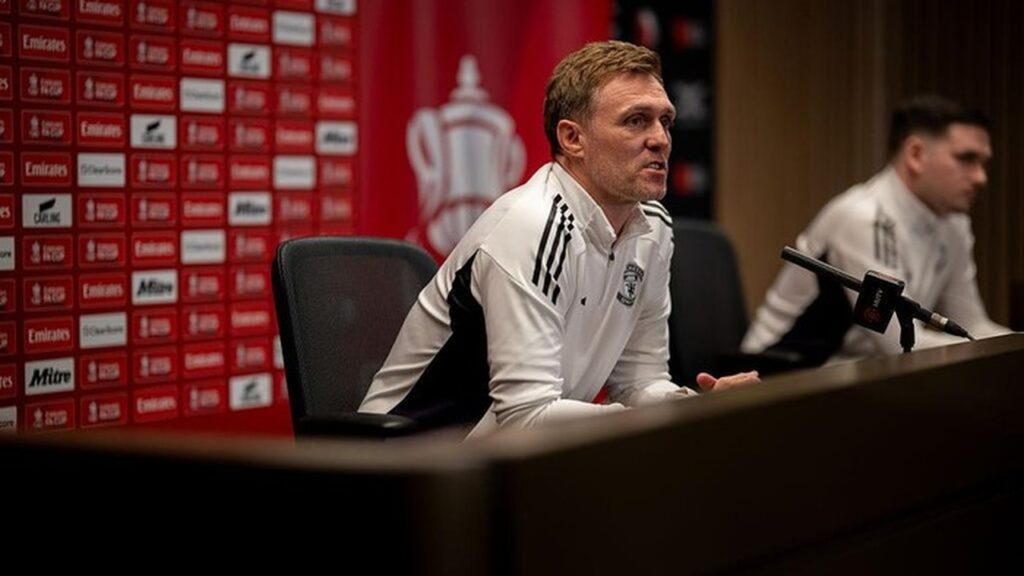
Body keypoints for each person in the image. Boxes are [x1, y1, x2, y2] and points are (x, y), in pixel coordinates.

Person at [360, 40, 759, 437]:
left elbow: (639, 382)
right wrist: (661, 421)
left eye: (665, 121)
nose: (661, 139)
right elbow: (526, 415)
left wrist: (696, 408)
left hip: (513, 459)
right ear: (572, 139)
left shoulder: (653, 227)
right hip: (407, 458)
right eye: (636, 121)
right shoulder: (532, 225)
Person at [742, 94, 1012, 365]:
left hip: (854, 370)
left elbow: (972, 325)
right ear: (916, 154)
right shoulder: (862, 218)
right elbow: (902, 346)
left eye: (983, 163)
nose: (980, 177)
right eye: (966, 159)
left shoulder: (955, 224)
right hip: (777, 371)